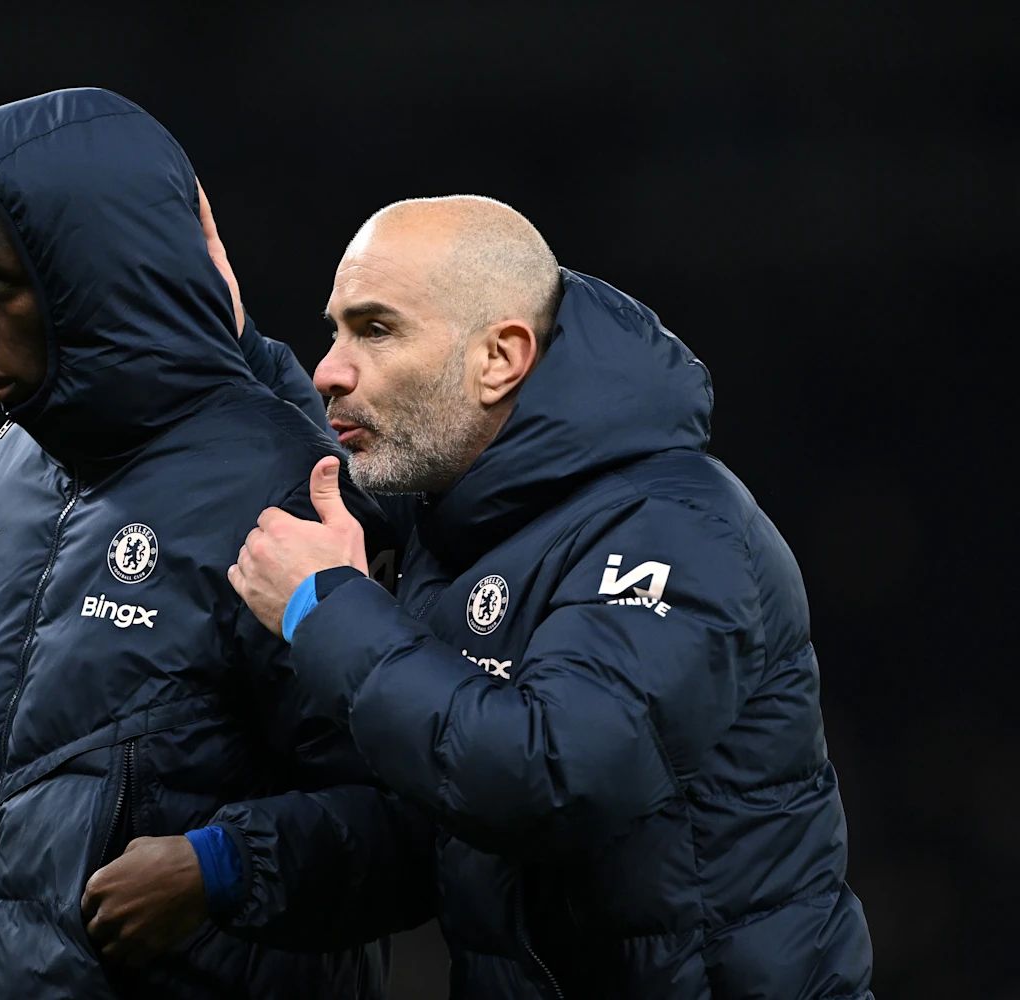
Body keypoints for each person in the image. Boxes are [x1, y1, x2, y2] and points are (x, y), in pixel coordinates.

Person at [225, 194, 876, 997]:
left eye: (375, 329)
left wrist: (322, 610)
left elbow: (554, 776)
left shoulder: (675, 527)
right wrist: (226, 865)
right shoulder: (458, 519)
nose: (329, 367)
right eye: (334, 331)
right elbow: (434, 819)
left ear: (499, 357)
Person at [0, 87, 432, 999]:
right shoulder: (7, 470)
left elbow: (410, 825)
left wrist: (218, 867)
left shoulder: (292, 487)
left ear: (90, 274)